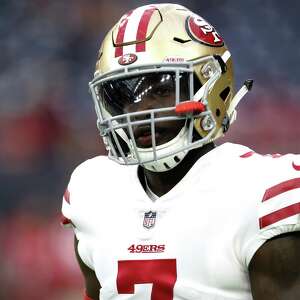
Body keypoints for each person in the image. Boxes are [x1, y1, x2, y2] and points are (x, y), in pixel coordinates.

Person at [61, 3, 300, 300]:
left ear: (211, 87)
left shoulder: (262, 192)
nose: (141, 110)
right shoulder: (93, 190)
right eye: (126, 95)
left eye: (161, 90)